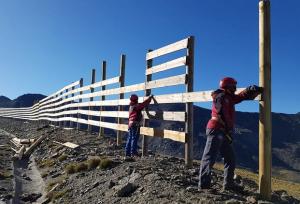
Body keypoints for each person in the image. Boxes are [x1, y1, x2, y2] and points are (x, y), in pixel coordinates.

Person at [198, 77, 263, 191]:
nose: (235, 89)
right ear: (227, 86)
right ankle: (204, 186)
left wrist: (249, 90)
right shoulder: (221, 97)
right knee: (209, 158)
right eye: (233, 86)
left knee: (230, 158)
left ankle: (228, 184)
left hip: (223, 131)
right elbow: (221, 113)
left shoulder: (228, 97)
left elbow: (239, 97)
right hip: (216, 129)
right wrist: (228, 130)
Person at [125, 94, 154, 158]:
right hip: (135, 124)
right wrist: (149, 98)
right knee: (134, 138)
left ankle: (127, 153)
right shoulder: (136, 106)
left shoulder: (131, 106)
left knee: (130, 138)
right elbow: (144, 104)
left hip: (130, 124)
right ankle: (133, 152)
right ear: (136, 99)